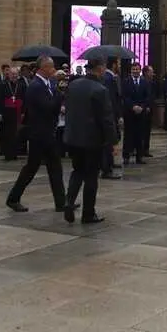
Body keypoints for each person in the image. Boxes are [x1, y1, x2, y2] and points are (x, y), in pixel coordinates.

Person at [6, 56, 68, 213]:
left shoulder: (49, 83)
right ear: (43, 68)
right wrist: (59, 95)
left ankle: (61, 203)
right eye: (51, 67)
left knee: (55, 168)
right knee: (31, 168)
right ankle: (13, 198)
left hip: (48, 132)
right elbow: (47, 107)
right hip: (38, 133)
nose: (53, 70)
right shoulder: (35, 86)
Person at [63, 58, 118, 224]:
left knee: (77, 171)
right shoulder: (100, 89)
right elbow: (106, 119)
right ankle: (88, 213)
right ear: (100, 68)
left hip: (73, 137)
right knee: (91, 177)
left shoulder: (73, 85)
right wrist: (113, 141)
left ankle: (68, 201)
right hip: (92, 140)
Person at [122, 62, 152, 165]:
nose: (135, 71)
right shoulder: (126, 82)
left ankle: (140, 156)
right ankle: (126, 156)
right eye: (133, 69)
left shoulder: (145, 83)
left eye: (137, 69)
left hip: (141, 113)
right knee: (128, 135)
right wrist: (133, 106)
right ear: (131, 70)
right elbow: (125, 97)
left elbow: (147, 97)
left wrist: (142, 107)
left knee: (140, 135)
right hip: (130, 112)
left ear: (140, 70)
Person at [100, 57, 123, 179]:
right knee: (109, 141)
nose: (119, 66)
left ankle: (109, 164)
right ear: (113, 65)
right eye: (118, 63)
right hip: (110, 115)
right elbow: (111, 99)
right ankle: (106, 169)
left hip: (110, 114)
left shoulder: (109, 77)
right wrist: (117, 115)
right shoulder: (108, 79)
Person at [0, 67, 24, 161]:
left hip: (17, 112)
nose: (14, 76)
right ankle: (7, 153)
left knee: (16, 134)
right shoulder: (3, 85)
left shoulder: (21, 85)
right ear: (9, 75)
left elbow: (24, 98)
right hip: (6, 112)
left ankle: (14, 152)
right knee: (7, 134)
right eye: (12, 74)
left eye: (16, 74)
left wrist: (23, 111)